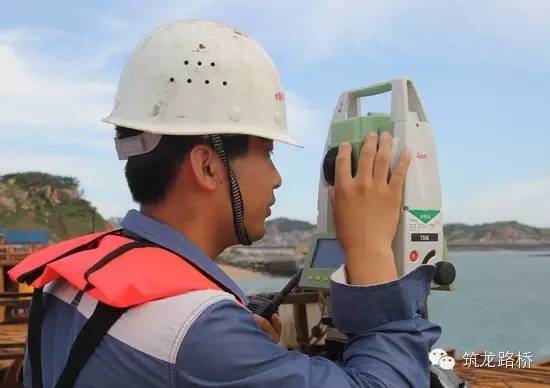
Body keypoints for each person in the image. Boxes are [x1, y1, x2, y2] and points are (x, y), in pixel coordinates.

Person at [10, 20, 441, 387]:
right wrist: (369, 249)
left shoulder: (70, 281)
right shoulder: (194, 332)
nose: (277, 177)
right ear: (208, 167)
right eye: (267, 151)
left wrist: (252, 355)